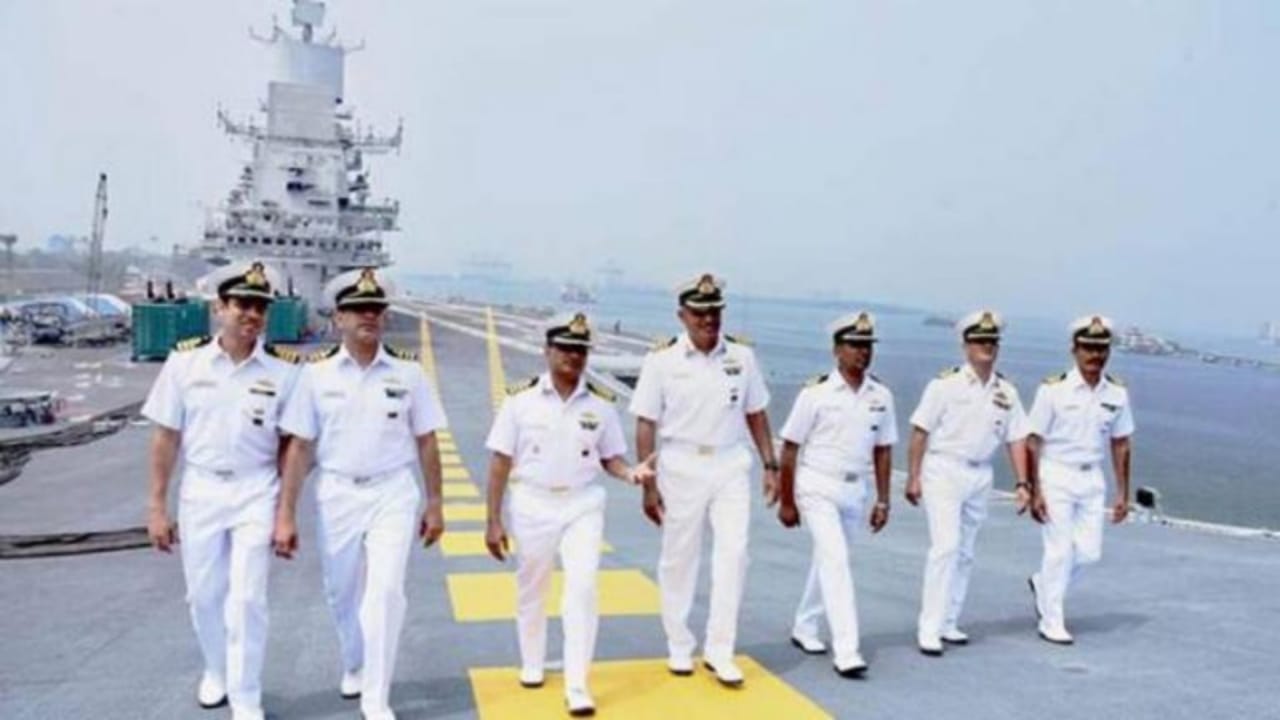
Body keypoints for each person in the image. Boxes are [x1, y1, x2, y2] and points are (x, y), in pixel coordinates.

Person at [273, 268, 447, 720]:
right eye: (357, 310)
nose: (368, 316)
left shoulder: (409, 373)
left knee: (385, 593)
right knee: (341, 590)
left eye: (375, 309)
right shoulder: (315, 376)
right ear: (338, 319)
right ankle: (355, 659)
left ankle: (376, 697)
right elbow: (299, 448)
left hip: (393, 490)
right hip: (338, 493)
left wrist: (435, 503)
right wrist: (285, 513)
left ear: (384, 317)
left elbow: (427, 440)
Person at [142, 261, 299, 720]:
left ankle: (247, 695)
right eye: (242, 305)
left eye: (260, 307)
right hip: (202, 489)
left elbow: (292, 446)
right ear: (219, 308)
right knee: (203, 595)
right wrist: (157, 507)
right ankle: (216, 670)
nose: (252, 314)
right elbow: (166, 436)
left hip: (257, 488)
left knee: (248, 599)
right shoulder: (185, 363)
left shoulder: (285, 371)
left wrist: (285, 513)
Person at [483, 311, 655, 717]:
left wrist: (631, 473)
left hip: (582, 504)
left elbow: (610, 457)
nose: (573, 356)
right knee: (532, 586)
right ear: (547, 351)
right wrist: (493, 520)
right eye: (565, 348)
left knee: (583, 587)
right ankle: (532, 661)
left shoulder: (601, 405)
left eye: (580, 350)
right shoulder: (520, 401)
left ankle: (578, 684)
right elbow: (500, 462)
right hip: (532, 502)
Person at [629, 273, 778, 687]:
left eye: (714, 311)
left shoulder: (742, 357)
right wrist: (648, 484)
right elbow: (645, 423)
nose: (708, 319)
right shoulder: (662, 360)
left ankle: (720, 649)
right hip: (680, 463)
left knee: (735, 554)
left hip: (730, 463)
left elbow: (756, 413)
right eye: (699, 312)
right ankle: (679, 643)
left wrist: (771, 465)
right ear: (682, 315)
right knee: (679, 557)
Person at [905, 310, 1031, 656]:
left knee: (965, 552)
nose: (986, 347)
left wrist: (1023, 483)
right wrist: (913, 476)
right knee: (945, 547)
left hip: (980, 475)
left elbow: (1017, 438)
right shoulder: (944, 385)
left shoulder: (1007, 391)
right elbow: (920, 432)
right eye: (979, 341)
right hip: (944, 470)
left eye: (992, 341)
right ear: (965, 346)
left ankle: (949, 620)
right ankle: (929, 627)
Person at [777, 312, 896, 678]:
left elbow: (883, 450)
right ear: (836, 350)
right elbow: (790, 448)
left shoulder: (881, 395)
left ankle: (805, 625)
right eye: (854, 345)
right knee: (837, 561)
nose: (863, 352)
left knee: (829, 560)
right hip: (817, 485)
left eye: (867, 346)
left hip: (854, 490)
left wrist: (883, 500)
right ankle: (847, 651)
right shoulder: (815, 393)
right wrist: (787, 500)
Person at [1026, 315, 1135, 645]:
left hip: (1091, 479)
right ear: (1074, 350)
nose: (1094, 355)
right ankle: (1052, 621)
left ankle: (1043, 584)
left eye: (1101, 349)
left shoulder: (1117, 393)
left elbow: (1121, 443)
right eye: (1088, 348)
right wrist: (1034, 489)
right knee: (1059, 550)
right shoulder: (1053, 390)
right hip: (1056, 474)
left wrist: (1122, 493)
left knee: (1089, 554)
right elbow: (1033, 441)